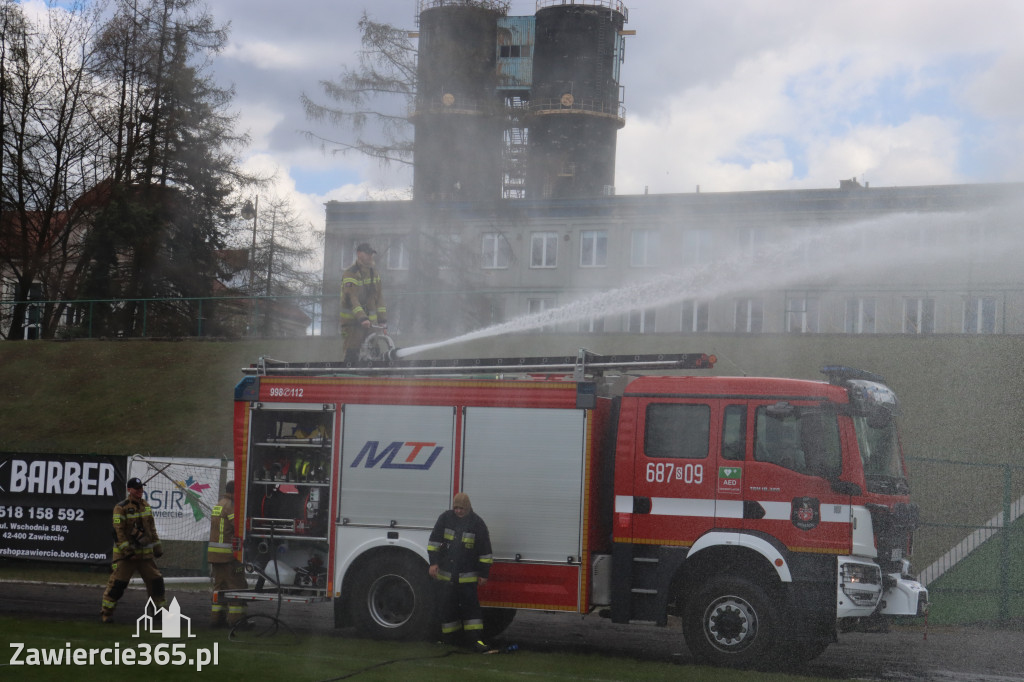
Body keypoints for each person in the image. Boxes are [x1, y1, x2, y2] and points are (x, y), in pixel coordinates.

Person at [427, 492, 494, 652]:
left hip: (467, 579)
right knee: (447, 609)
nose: (458, 511)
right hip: (446, 577)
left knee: (471, 611)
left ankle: (474, 640)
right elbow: (434, 542)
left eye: (461, 508)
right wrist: (433, 563)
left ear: (468, 507)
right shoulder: (445, 518)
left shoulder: (477, 524)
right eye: (456, 508)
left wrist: (484, 574)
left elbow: (485, 552)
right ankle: (450, 640)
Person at [100, 477, 166, 623]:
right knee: (118, 585)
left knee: (156, 582)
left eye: (141, 488)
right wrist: (128, 553)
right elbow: (119, 532)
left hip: (145, 557)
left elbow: (152, 529)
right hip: (127, 557)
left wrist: (157, 547)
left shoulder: (146, 506)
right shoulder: (120, 507)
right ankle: (106, 614)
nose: (140, 491)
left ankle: (159, 614)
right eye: (137, 489)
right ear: (129, 490)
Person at [208, 480, 248, 628]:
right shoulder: (231, 506)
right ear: (234, 492)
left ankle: (216, 620)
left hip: (215, 556)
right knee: (236, 587)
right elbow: (238, 527)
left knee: (220, 588)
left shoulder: (219, 504)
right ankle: (237, 621)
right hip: (228, 556)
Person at [340, 242, 386, 363]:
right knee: (352, 354)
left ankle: (374, 379)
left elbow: (379, 297)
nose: (370, 256)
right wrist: (362, 318)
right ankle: (348, 379)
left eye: (371, 254)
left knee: (375, 353)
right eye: (367, 254)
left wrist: (382, 320)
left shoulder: (374, 273)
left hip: (370, 324)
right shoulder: (350, 273)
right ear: (359, 254)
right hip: (352, 324)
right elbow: (351, 298)